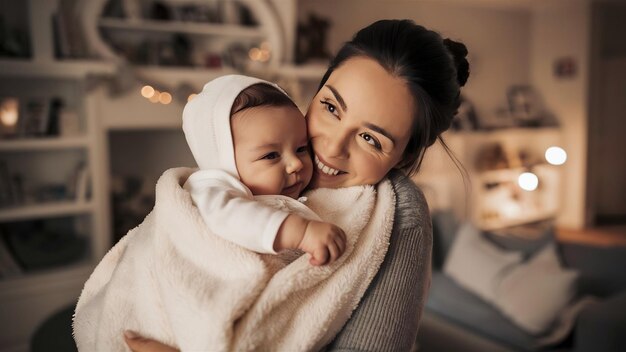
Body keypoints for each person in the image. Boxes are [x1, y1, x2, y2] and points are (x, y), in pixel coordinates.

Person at [124, 19, 470, 351]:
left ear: (403, 158)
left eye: (370, 138)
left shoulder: (399, 215)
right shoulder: (250, 161)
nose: (332, 147)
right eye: (331, 107)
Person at [182, 75, 346, 266]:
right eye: (271, 156)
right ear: (224, 162)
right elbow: (230, 217)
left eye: (301, 149)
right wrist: (302, 232)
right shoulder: (209, 190)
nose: (296, 164)